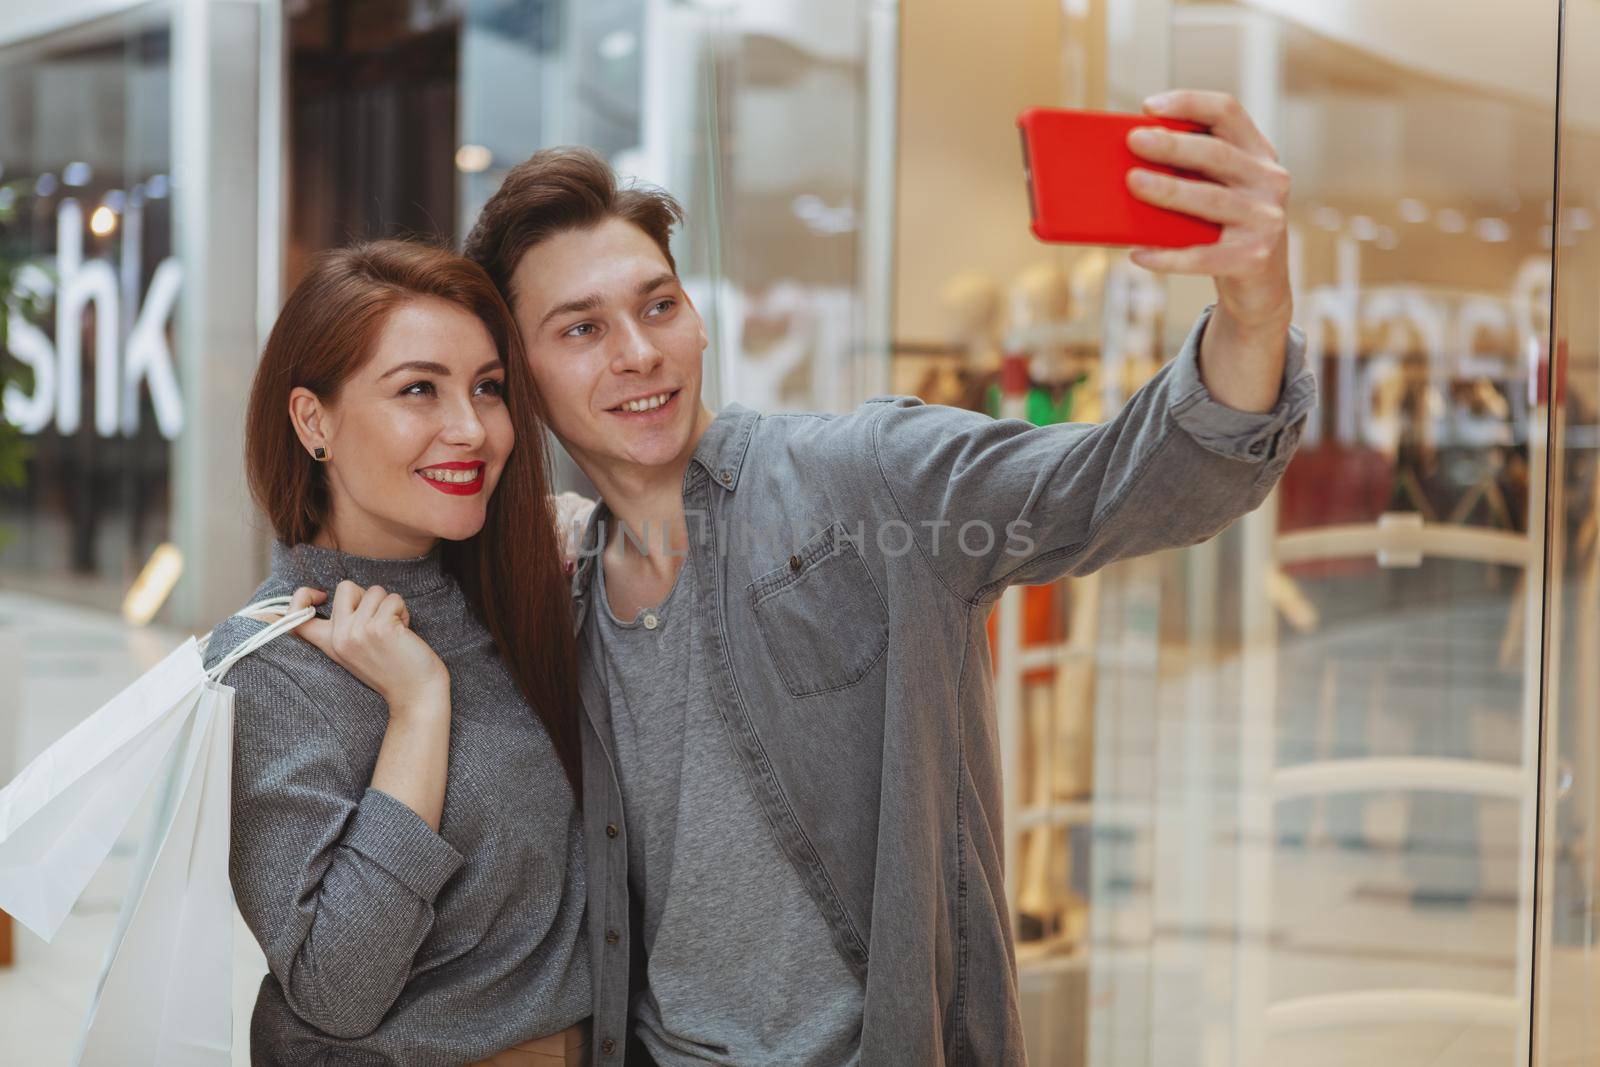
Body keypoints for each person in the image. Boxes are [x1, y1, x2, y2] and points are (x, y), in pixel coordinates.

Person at [465, 89, 1316, 1066]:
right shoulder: (563, 593)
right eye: (580, 329)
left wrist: (1255, 309)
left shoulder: (872, 477)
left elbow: (1128, 483)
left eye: (659, 303)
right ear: (519, 378)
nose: (640, 352)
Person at [206, 241, 591, 1066]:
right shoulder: (269, 663)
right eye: (420, 388)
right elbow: (337, 992)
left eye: (487, 388)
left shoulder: (517, 601)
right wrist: (418, 709)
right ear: (314, 420)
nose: (472, 428)